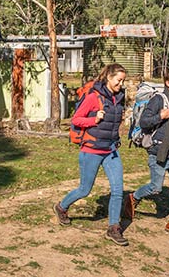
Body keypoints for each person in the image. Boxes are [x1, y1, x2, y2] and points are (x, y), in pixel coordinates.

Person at [52, 63, 129, 246]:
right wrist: (94, 119)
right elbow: (76, 119)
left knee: (118, 190)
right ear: (109, 78)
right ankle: (61, 207)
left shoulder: (119, 97)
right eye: (119, 80)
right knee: (85, 189)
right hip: (91, 150)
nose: (121, 84)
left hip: (110, 150)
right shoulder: (94, 97)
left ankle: (113, 228)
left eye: (123, 81)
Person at [123, 66, 169, 238]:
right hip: (158, 151)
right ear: (168, 83)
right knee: (156, 188)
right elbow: (144, 122)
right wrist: (160, 116)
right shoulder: (158, 99)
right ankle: (133, 198)